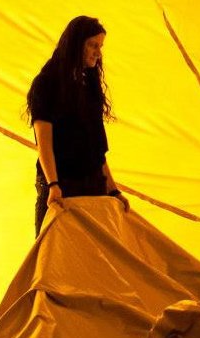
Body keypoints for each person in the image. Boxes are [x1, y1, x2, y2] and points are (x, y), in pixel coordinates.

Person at [25, 15, 129, 234]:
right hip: (61, 185)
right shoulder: (46, 84)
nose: (98, 52)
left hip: (91, 184)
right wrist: (53, 185)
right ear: (75, 44)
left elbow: (97, 147)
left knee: (91, 255)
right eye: (92, 45)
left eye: (100, 46)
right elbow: (44, 143)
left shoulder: (89, 85)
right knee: (51, 252)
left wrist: (112, 189)